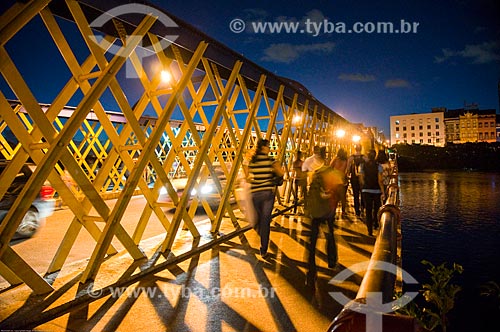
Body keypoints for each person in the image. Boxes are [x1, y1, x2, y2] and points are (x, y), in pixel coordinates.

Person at [305, 163, 343, 285]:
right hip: (328, 210)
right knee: (330, 234)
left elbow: (309, 191)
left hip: (315, 211)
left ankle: (311, 271)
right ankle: (332, 260)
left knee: (313, 240)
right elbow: (340, 192)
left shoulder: (316, 173)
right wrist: (344, 206)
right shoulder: (334, 174)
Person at [248, 138, 284, 258]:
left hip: (255, 194)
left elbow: (248, 176)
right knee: (265, 222)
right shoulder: (271, 161)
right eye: (268, 146)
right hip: (267, 194)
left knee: (258, 221)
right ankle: (263, 249)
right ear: (263, 147)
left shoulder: (252, 161)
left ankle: (259, 229)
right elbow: (281, 173)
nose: (269, 148)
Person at [360, 149, 385, 236]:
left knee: (368, 210)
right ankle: (376, 224)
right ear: (375, 156)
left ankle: (369, 230)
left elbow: (362, 179)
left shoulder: (362, 166)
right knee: (376, 209)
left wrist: (365, 186)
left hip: (366, 190)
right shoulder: (379, 166)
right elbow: (380, 180)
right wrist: (383, 192)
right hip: (376, 190)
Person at [347, 145, 365, 216]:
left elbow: (348, 168)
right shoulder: (364, 157)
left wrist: (348, 175)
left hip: (354, 178)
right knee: (363, 193)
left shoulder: (351, 158)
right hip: (362, 178)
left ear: (355, 149)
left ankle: (357, 210)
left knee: (355, 194)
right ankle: (363, 207)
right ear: (361, 149)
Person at [330, 148, 349, 217]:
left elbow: (330, 166)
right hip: (342, 180)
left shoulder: (335, 159)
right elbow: (347, 170)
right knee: (343, 197)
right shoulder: (345, 160)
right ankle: (343, 212)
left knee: (333, 196)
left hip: (334, 179)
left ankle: (333, 210)